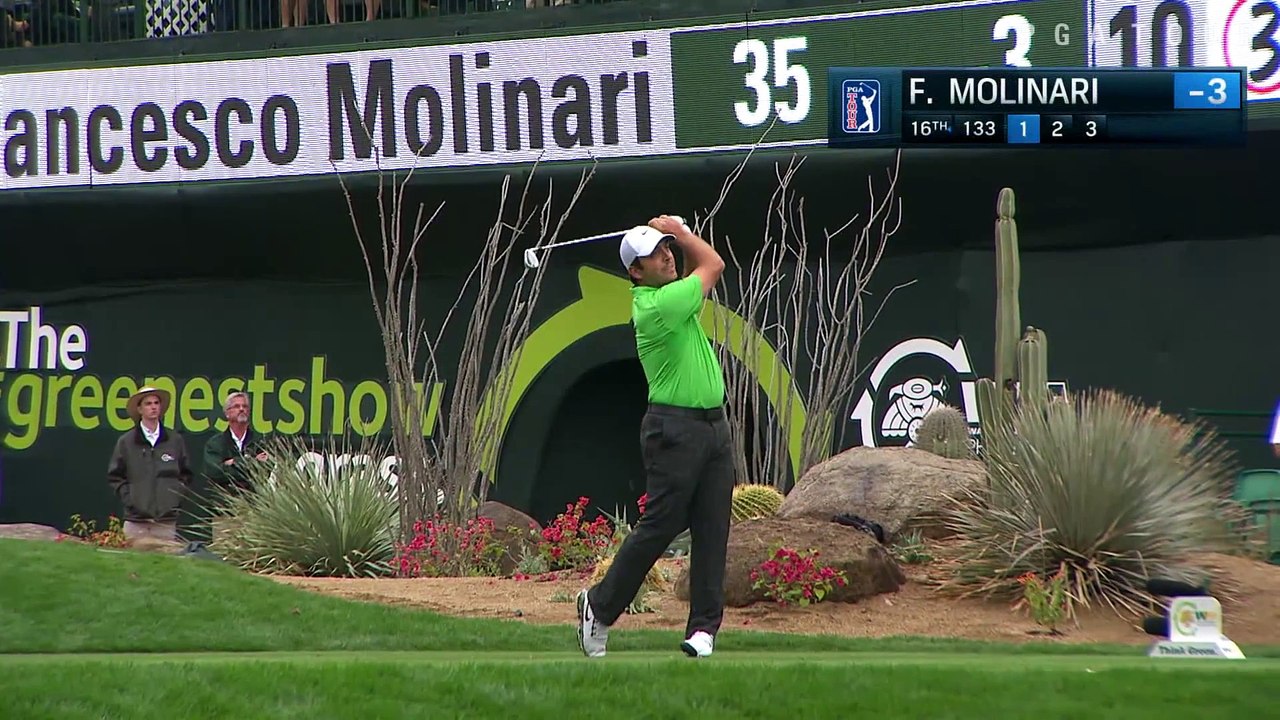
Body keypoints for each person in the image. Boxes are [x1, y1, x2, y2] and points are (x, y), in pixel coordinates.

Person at [577, 214, 734, 659]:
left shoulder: (673, 297)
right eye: (655, 254)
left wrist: (675, 238)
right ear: (635, 271)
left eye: (667, 248)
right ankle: (598, 606)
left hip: (713, 427)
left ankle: (703, 630)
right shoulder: (657, 306)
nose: (667, 256)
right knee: (661, 525)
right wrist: (684, 234)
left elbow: (697, 270)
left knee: (712, 525)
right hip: (675, 427)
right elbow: (714, 264)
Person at [106, 386, 193, 543]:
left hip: (166, 522)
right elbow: (115, 476)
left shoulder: (175, 440)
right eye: (148, 403)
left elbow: (185, 474)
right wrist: (132, 501)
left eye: (156, 403)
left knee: (165, 566)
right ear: (139, 409)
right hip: (136, 522)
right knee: (132, 566)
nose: (153, 407)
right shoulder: (126, 442)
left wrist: (173, 500)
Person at [202, 391, 270, 545]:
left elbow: (266, 472)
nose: (241, 409)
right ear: (227, 413)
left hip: (253, 513)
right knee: (223, 564)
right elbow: (215, 472)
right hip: (225, 514)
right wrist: (251, 463)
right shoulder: (215, 443)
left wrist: (234, 462)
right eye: (237, 406)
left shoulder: (260, 441)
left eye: (245, 406)